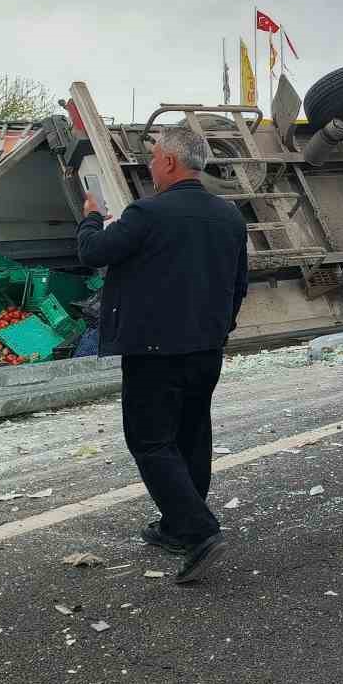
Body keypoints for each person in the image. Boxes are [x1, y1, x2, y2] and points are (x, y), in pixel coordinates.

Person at [77, 126, 249, 584]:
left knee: (151, 442)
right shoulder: (229, 216)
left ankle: (199, 530)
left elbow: (93, 253)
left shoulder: (146, 213)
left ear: (170, 162)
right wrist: (219, 329)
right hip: (206, 349)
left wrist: (92, 216)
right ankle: (176, 526)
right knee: (192, 435)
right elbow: (238, 286)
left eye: (153, 158)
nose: (150, 166)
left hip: (154, 352)